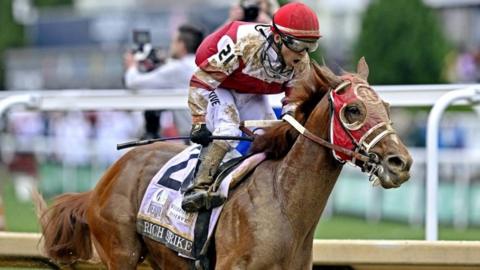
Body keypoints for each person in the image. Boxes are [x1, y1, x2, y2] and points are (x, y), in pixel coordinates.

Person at [181, 2, 321, 212]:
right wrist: (198, 122)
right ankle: (197, 187)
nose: (302, 54)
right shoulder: (245, 43)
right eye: (298, 45)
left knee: (270, 133)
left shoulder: (301, 62)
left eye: (310, 46)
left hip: (250, 89)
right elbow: (201, 80)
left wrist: (290, 124)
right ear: (277, 37)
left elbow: (293, 102)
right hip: (216, 84)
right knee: (228, 128)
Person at [124, 24, 205, 139]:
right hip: (206, 132)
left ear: (181, 45)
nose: (171, 46)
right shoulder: (200, 63)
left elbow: (133, 82)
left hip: (194, 137)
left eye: (173, 42)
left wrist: (131, 65)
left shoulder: (178, 67)